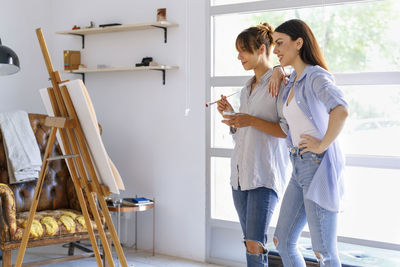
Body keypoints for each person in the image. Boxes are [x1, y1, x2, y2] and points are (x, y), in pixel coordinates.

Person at [271, 19, 348, 267]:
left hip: (316, 166)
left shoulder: (315, 76)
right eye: (274, 44)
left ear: (299, 42)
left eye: (280, 44)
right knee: (282, 241)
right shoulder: (293, 80)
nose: (275, 50)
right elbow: (286, 124)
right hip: (298, 165)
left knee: (323, 251)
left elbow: (341, 110)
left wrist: (322, 145)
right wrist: (277, 70)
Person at [217, 23, 289, 267]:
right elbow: (244, 135)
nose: (239, 57)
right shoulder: (247, 88)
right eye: (238, 51)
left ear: (261, 49)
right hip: (240, 174)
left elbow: (285, 131)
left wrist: (250, 120)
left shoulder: (279, 82)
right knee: (249, 241)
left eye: (244, 51)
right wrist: (234, 118)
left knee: (255, 244)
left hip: (264, 175)